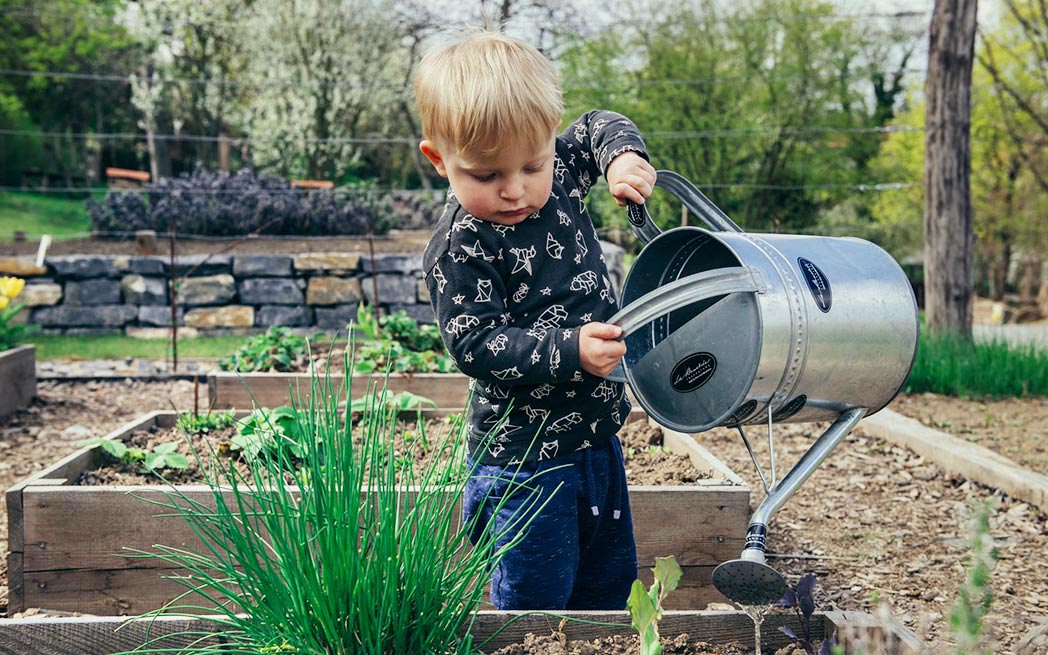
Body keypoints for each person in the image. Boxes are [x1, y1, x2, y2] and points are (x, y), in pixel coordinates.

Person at [414, 27, 656, 611]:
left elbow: (598, 125)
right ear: (439, 160)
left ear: (549, 141)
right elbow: (476, 343)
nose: (515, 190)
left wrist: (623, 158)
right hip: (524, 464)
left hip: (598, 440)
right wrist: (571, 349)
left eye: (532, 165)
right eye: (486, 175)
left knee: (607, 589)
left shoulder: (562, 171)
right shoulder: (461, 247)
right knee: (536, 605)